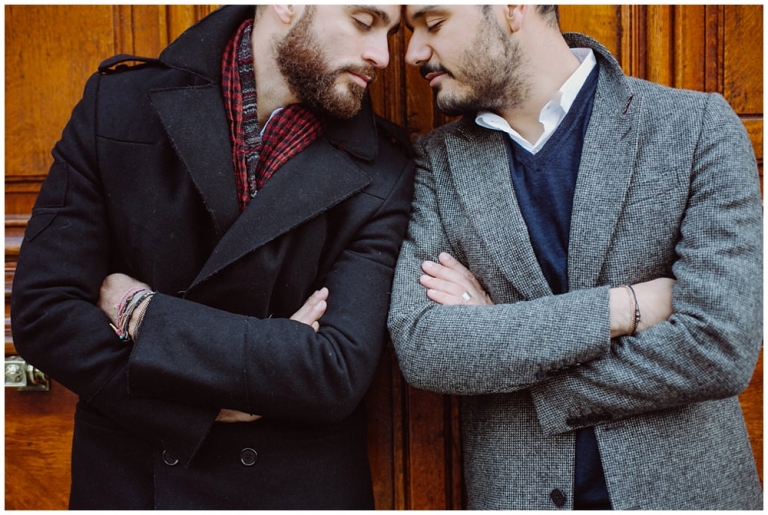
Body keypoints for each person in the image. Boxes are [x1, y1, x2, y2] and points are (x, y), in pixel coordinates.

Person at [11, 5, 413, 510]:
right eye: (364, 21)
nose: (382, 55)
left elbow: (333, 371)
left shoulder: (385, 169)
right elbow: (45, 312)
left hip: (293, 491)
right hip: (134, 483)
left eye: (390, 32)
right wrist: (202, 407)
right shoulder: (118, 105)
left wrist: (142, 312)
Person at [388, 4, 762, 510]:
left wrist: (501, 338)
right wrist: (621, 308)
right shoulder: (437, 161)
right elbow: (423, 347)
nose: (412, 52)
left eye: (433, 24)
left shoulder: (695, 128)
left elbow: (719, 349)